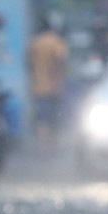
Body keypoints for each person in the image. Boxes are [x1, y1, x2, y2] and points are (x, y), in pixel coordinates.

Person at [28, 16, 70, 151]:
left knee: (41, 119)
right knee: (54, 119)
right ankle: (53, 145)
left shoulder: (35, 43)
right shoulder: (57, 42)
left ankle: (42, 145)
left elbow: (29, 64)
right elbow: (61, 61)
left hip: (39, 87)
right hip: (55, 88)